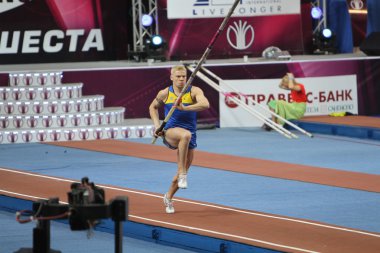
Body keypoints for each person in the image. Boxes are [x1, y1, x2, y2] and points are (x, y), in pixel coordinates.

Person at [149, 65, 210, 214]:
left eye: (184, 76)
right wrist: (157, 126)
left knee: (181, 171)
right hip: (171, 131)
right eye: (178, 76)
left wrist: (184, 108)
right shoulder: (165, 93)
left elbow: (205, 104)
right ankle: (183, 173)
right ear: (172, 77)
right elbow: (153, 107)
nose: (181, 79)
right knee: (185, 135)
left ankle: (168, 196)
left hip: (190, 133)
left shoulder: (194, 91)